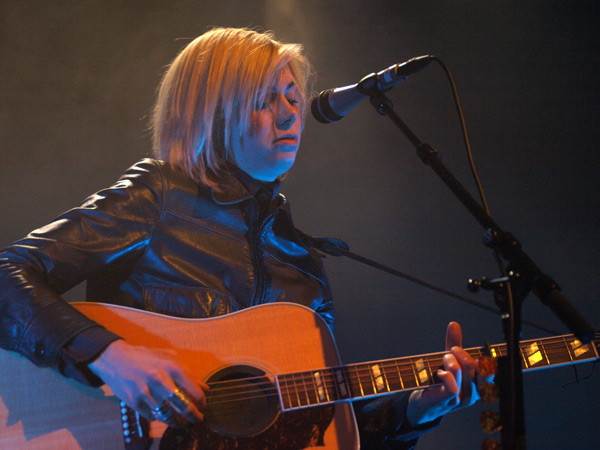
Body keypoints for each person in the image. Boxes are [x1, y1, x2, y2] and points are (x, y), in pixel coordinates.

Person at [0, 27, 485, 449]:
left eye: (294, 97)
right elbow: (7, 276)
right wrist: (110, 355)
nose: (289, 114)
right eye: (265, 99)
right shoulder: (161, 195)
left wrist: (417, 409)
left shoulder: (304, 265)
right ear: (213, 111)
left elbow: (318, 429)